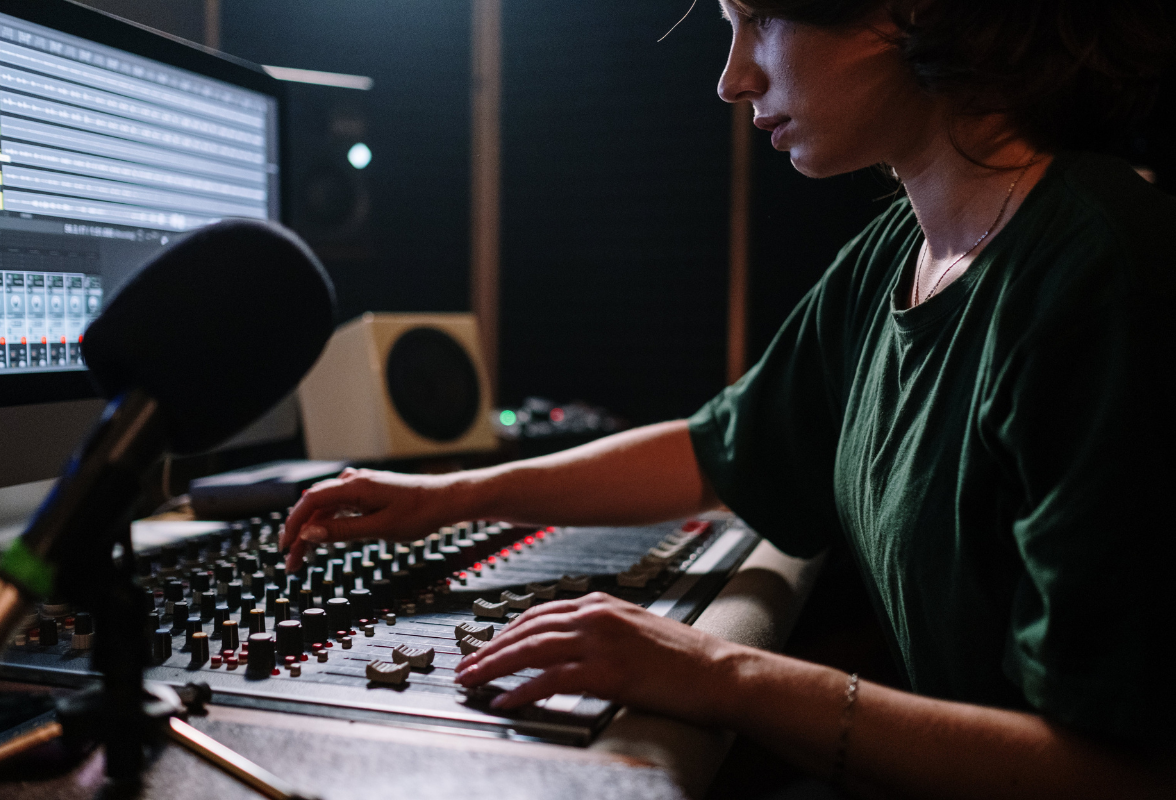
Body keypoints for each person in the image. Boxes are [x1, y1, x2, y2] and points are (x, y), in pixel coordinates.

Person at [280, 1, 1176, 796]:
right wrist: (455, 498)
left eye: (759, 22)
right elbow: (715, 451)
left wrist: (722, 675)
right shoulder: (895, 254)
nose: (731, 77)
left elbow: (1111, 772)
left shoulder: (1100, 275)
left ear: (906, 14)